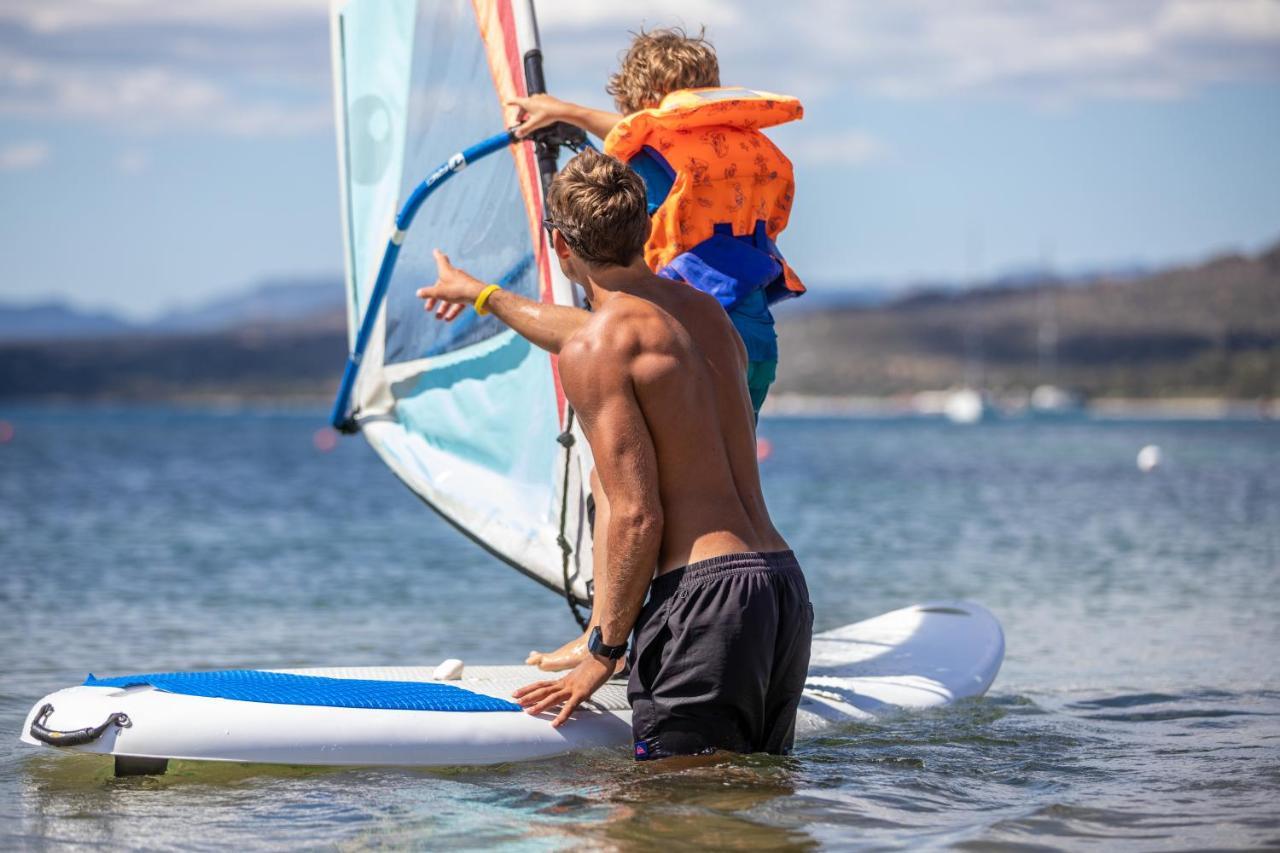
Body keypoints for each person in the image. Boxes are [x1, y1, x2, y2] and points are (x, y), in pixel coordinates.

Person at [417, 149, 812, 760]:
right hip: (779, 589)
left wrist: (603, 652)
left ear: (559, 245)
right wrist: (482, 294)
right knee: (754, 809)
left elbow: (636, 515)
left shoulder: (598, 347)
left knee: (668, 815)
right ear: (648, 228)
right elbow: (606, 330)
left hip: (704, 599)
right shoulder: (707, 315)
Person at [510, 26, 808, 671]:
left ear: (643, 97)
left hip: (684, 337)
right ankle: (720, 619)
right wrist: (565, 111)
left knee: (616, 487)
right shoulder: (745, 150)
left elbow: (619, 185)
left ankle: (605, 639)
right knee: (719, 481)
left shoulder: (655, 157)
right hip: (752, 338)